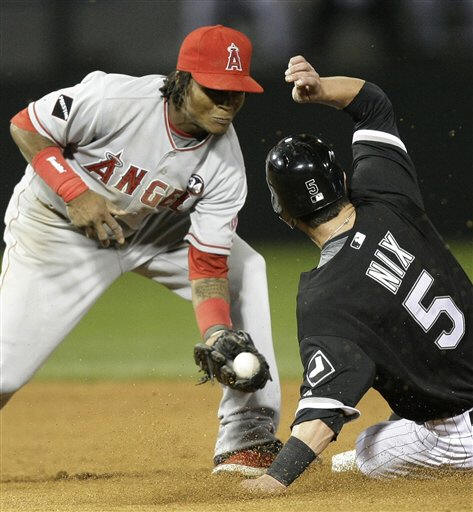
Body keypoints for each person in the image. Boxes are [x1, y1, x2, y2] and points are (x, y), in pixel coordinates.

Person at [0, 25, 282, 476]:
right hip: (57, 229)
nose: (227, 103)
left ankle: (247, 437)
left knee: (245, 268)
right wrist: (74, 191)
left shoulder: (225, 165)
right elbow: (27, 125)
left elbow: (208, 263)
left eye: (237, 93)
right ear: (182, 79)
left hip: (156, 230)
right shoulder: (115, 99)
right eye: (215, 90)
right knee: (5, 372)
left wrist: (216, 333)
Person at [242, 55, 473, 492]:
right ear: (344, 179)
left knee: (367, 449)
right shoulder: (385, 194)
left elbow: (323, 414)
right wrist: (319, 88)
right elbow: (373, 104)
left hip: (463, 433)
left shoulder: (325, 298)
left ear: (284, 214)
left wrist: (275, 480)